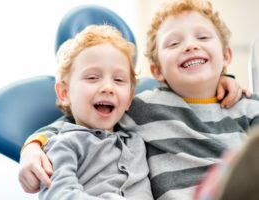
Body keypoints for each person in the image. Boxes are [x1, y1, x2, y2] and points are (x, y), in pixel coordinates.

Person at [18, 0, 253, 199]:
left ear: (225, 56)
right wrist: (34, 146)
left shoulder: (248, 106)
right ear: (157, 70)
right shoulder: (144, 107)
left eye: (202, 37)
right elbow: (76, 123)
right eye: (174, 43)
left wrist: (224, 77)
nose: (191, 45)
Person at [35, 24, 153, 199]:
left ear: (129, 98)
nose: (107, 87)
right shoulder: (64, 144)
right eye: (92, 78)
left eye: (119, 79)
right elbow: (57, 194)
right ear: (64, 93)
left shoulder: (137, 140)